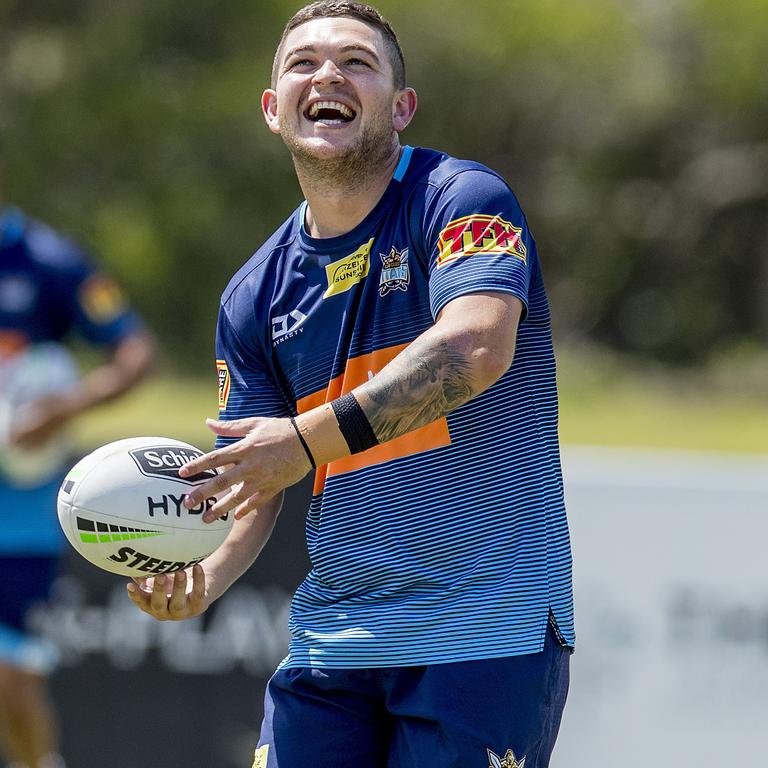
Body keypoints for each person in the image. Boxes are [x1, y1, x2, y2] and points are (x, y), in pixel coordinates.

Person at [127, 3, 574, 766]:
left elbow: (475, 348)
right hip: (331, 642)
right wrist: (204, 574)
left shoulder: (461, 199)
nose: (327, 73)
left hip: (483, 631)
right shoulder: (254, 293)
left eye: (357, 62)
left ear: (401, 107)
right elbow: (255, 475)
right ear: (273, 111)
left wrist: (302, 441)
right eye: (303, 62)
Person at [0, 198, 155, 768]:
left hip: (16, 518)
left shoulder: (47, 262)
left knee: (9, 680)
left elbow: (136, 354)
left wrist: (62, 407)